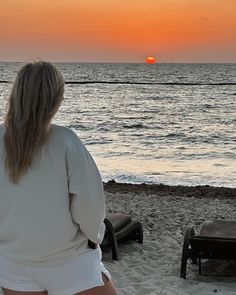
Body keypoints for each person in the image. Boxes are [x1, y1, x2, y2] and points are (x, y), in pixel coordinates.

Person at [0, 61, 118, 295]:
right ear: (55, 99)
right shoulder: (65, 141)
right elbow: (89, 206)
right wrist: (94, 237)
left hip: (15, 262)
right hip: (68, 261)